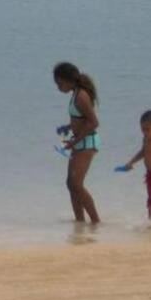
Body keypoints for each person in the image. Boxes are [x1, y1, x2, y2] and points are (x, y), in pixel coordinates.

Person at [54, 62, 100, 224]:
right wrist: (67, 127)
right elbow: (80, 119)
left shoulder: (81, 96)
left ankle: (95, 221)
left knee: (76, 184)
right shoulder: (75, 94)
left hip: (87, 142)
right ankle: (79, 221)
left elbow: (94, 122)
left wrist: (75, 141)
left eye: (59, 83)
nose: (58, 87)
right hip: (80, 141)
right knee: (70, 184)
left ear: (68, 80)